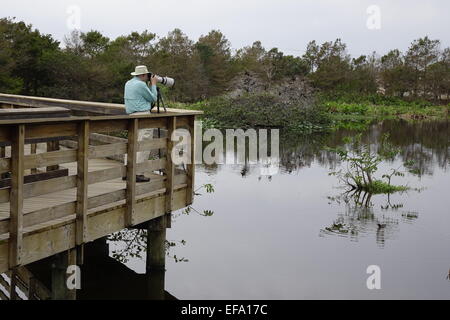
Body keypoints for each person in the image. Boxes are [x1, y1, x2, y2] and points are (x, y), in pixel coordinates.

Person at [123, 65, 158, 183]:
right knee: (144, 145)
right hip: (143, 116)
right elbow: (153, 98)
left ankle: (127, 172)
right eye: (147, 75)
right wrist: (153, 84)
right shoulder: (141, 84)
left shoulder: (128, 83)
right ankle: (138, 173)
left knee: (132, 144)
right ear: (143, 75)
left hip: (131, 116)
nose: (148, 77)